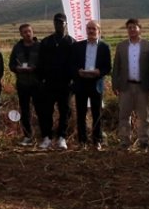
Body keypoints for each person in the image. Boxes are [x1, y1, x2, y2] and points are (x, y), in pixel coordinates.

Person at [112, 18, 149, 149]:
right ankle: (124, 141)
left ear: (139, 28)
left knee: (144, 116)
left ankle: (144, 142)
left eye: (134, 27)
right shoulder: (121, 46)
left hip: (142, 86)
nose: (132, 30)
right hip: (126, 86)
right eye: (129, 27)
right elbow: (116, 67)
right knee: (124, 115)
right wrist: (115, 84)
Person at [71, 20, 111, 150]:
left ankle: (97, 141)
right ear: (86, 31)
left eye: (94, 29)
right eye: (89, 29)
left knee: (96, 113)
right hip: (81, 83)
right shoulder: (78, 46)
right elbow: (72, 64)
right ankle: (82, 141)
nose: (91, 31)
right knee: (81, 113)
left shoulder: (104, 47)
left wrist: (99, 72)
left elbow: (107, 67)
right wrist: (78, 71)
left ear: (98, 31)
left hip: (96, 84)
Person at [37, 13, 75, 150]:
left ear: (66, 24)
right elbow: (40, 63)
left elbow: (75, 64)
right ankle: (47, 137)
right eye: (56, 22)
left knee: (65, 112)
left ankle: (61, 138)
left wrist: (73, 81)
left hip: (65, 84)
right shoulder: (46, 42)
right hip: (49, 83)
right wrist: (41, 80)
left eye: (61, 23)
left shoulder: (71, 42)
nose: (58, 25)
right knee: (46, 111)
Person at [9, 23, 41, 146]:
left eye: (29, 31)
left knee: (40, 110)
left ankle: (43, 135)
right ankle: (27, 136)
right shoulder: (17, 48)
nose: (27, 34)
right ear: (21, 34)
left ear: (32, 32)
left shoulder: (39, 46)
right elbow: (11, 65)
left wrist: (35, 68)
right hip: (22, 84)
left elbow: (44, 64)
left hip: (37, 84)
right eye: (24, 32)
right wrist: (17, 69)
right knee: (25, 110)